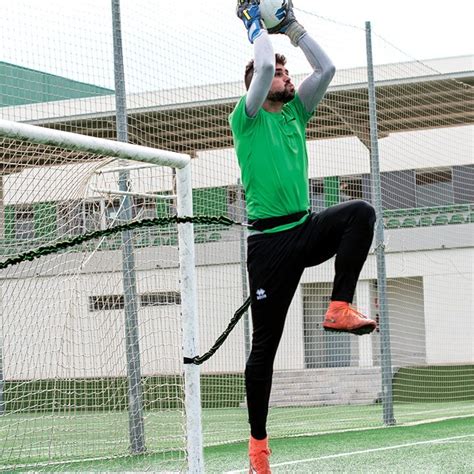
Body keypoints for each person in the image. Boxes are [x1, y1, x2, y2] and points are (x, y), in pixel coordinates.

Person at [230, 1, 377, 472]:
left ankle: (338, 306)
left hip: (305, 228)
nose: (288, 77)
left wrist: (291, 27)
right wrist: (255, 24)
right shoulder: (248, 118)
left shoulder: (296, 113)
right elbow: (261, 71)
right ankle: (258, 446)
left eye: (288, 71)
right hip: (269, 246)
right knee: (266, 348)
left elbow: (327, 66)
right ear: (259, 83)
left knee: (360, 213)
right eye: (279, 73)